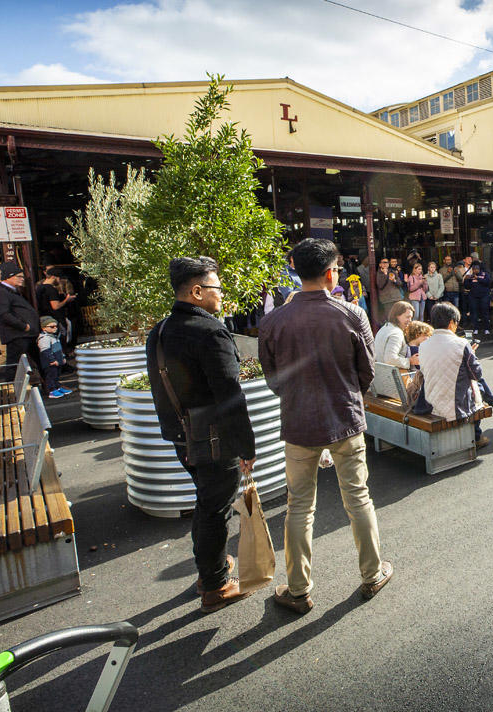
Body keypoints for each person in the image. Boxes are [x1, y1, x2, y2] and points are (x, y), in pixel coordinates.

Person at [258, 238, 392, 614]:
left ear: (295, 271)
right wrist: (348, 390)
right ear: (332, 272)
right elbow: (367, 371)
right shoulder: (352, 314)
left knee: (298, 506)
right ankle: (372, 573)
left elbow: (272, 378)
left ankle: (298, 589)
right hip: (345, 418)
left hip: (298, 421)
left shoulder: (272, 321)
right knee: (358, 498)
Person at [145, 256, 256, 613]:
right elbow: (230, 395)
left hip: (182, 436)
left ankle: (214, 567)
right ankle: (215, 584)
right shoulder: (210, 332)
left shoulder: (159, 330)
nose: (221, 295)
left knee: (207, 503)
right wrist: (246, 446)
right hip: (214, 439)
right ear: (196, 291)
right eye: (216, 288)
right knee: (214, 509)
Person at [421, 302, 493, 447]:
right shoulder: (461, 343)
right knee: (476, 388)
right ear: (452, 322)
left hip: (430, 401)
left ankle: (491, 414)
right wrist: (471, 354)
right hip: (456, 406)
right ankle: (476, 437)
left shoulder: (424, 344)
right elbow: (476, 373)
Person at [0, 262, 41, 384]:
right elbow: (2, 314)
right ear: (8, 276)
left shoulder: (12, 291)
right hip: (18, 335)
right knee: (14, 365)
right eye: (19, 277)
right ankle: (12, 391)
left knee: (35, 361)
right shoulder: (0, 292)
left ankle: (50, 386)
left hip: (26, 334)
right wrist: (24, 326)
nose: (22, 279)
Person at [36, 317, 71, 398]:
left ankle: (57, 387)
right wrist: (52, 360)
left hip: (57, 361)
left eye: (56, 326)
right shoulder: (44, 338)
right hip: (50, 363)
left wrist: (62, 357)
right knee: (51, 376)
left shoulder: (53, 337)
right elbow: (45, 351)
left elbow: (58, 349)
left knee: (56, 375)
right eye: (52, 327)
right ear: (44, 328)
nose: (55, 328)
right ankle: (52, 390)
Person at [376, 301, 416, 369]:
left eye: (411, 318)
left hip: (380, 374)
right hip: (389, 376)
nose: (410, 320)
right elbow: (390, 359)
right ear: (397, 316)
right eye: (407, 317)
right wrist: (410, 361)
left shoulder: (385, 328)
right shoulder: (396, 333)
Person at [462, 262, 492, 334]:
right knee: (474, 313)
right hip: (473, 297)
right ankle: (476, 328)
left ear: (480, 269)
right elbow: (467, 286)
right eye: (474, 269)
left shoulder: (484, 274)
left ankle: (486, 328)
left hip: (484, 296)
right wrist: (466, 280)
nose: (475, 270)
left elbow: (488, 283)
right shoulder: (470, 276)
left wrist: (478, 278)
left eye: (477, 269)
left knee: (485, 312)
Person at [375, 258, 404, 325]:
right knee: (390, 317)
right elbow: (380, 285)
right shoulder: (378, 273)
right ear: (380, 264)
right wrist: (385, 274)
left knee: (398, 316)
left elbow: (400, 283)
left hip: (396, 297)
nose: (385, 264)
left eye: (387, 262)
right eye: (384, 262)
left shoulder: (392, 271)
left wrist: (394, 280)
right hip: (387, 299)